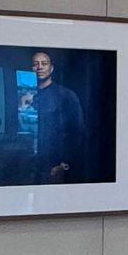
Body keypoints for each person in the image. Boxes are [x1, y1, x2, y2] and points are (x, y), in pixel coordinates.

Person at [23, 49, 87, 183]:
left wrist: (64, 164)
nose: (39, 67)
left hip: (53, 168)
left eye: (44, 63)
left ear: (51, 68)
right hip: (28, 168)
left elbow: (78, 131)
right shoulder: (28, 96)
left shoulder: (66, 95)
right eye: (35, 64)